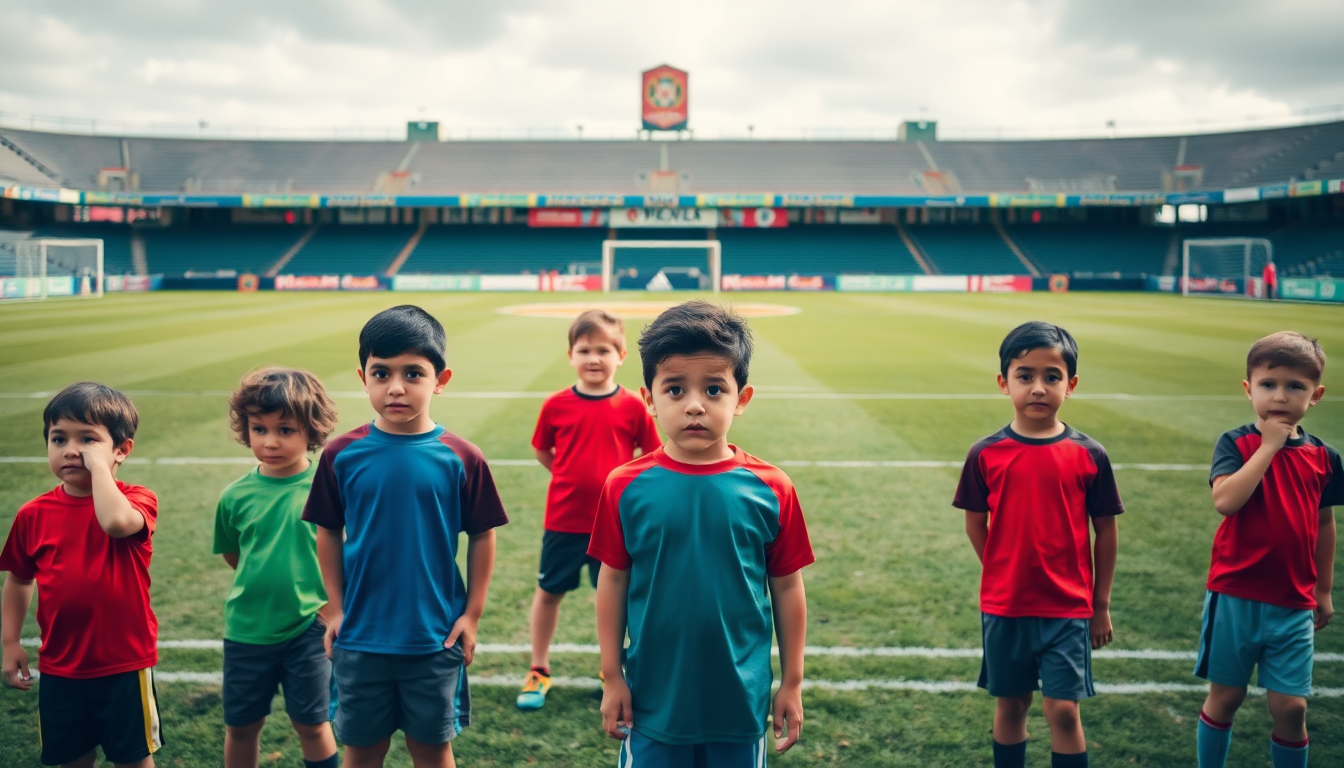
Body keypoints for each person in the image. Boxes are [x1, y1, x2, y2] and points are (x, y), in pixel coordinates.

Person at [589, 300, 814, 767]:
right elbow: (612, 580)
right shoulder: (624, 486)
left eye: (714, 389)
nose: (694, 404)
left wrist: (791, 681)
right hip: (652, 702)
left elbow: (787, 586)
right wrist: (612, 675)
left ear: (742, 399)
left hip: (739, 703)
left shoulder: (771, 488)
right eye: (674, 389)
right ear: (648, 398)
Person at [303, 305, 509, 768]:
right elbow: (327, 531)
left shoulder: (462, 457)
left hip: (434, 638)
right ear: (363, 377)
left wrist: (471, 615)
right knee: (362, 750)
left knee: (433, 751)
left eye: (413, 373)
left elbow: (482, 535)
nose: (396, 387)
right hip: (360, 637)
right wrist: (335, 608)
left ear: (441, 379)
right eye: (382, 373)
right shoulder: (342, 454)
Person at [953, 322, 1122, 768]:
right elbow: (976, 523)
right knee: (1011, 706)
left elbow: (1105, 530)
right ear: (1003, 382)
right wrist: (1001, 567)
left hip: (1067, 607)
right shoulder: (985, 453)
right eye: (1025, 375)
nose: (1038, 387)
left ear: (1072, 384)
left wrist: (1099, 603)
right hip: (1005, 605)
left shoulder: (1090, 454)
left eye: (1052, 376)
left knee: (1063, 711)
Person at [1194, 332, 1340, 768]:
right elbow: (1226, 501)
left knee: (1292, 708)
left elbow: (1324, 522)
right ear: (1248, 388)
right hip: (1235, 594)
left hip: (1294, 601)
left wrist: (1325, 588)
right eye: (1268, 384)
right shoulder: (1235, 445)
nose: (1280, 396)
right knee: (1227, 697)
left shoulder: (1324, 457)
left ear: (1315, 395)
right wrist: (1269, 447)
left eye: (1295, 386)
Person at [0, 382, 163, 767]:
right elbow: (20, 579)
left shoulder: (137, 499)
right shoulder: (33, 514)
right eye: (59, 439)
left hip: (124, 662)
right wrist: (9, 642)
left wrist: (99, 469)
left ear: (122, 450)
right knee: (72, 758)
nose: (71, 449)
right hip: (60, 664)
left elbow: (115, 523)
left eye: (88, 439)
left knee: (133, 759)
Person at [518, 309, 661, 710]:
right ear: (570, 355)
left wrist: (616, 492)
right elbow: (542, 450)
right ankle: (538, 669)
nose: (594, 358)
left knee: (615, 598)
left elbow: (650, 456)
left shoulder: (633, 406)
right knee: (549, 592)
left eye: (603, 349)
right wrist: (570, 476)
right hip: (564, 520)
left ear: (620, 356)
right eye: (584, 350)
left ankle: (611, 670)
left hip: (613, 525)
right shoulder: (556, 404)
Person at [214, 367, 340, 768]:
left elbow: (347, 555)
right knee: (242, 726)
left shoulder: (329, 489)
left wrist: (327, 607)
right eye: (259, 429)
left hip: (310, 629)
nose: (270, 441)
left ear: (312, 430)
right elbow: (235, 557)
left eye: (285, 430)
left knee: (313, 725)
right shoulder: (234, 496)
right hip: (247, 631)